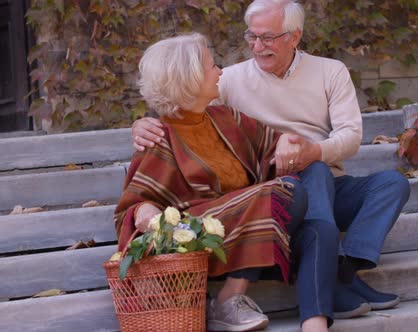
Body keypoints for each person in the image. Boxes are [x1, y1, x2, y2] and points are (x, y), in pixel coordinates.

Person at [132, 0, 411, 326]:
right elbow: (179, 101)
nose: (255, 46)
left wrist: (308, 150)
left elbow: (349, 136)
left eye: (267, 37)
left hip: (319, 182)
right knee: (308, 195)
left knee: (385, 183)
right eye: (252, 36)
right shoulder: (229, 82)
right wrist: (142, 124)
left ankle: (341, 274)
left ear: (294, 37)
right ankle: (322, 282)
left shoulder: (329, 71)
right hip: (269, 195)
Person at [115, 33, 339, 332]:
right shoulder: (160, 136)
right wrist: (143, 210)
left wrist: (287, 139)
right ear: (190, 78)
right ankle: (229, 297)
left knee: (319, 224)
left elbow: (272, 147)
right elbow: (134, 205)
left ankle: (316, 325)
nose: (220, 71)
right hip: (199, 234)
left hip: (250, 222)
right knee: (284, 192)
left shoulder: (226, 117)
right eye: (211, 66)